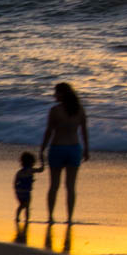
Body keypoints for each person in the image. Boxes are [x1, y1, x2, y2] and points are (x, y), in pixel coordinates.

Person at [40, 82, 90, 223]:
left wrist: (42, 148)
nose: (54, 95)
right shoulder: (80, 110)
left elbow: (49, 131)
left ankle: (50, 217)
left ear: (62, 94)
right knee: (71, 187)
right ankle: (69, 219)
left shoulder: (55, 110)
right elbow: (84, 131)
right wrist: (86, 149)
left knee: (54, 186)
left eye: (56, 92)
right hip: (74, 149)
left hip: (58, 148)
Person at [12, 151, 44, 225]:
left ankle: (17, 217)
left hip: (19, 192)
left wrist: (16, 189)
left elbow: (15, 182)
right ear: (31, 163)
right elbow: (41, 170)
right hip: (26, 192)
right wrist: (43, 162)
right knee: (27, 206)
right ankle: (27, 219)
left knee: (22, 205)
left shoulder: (19, 172)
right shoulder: (31, 170)